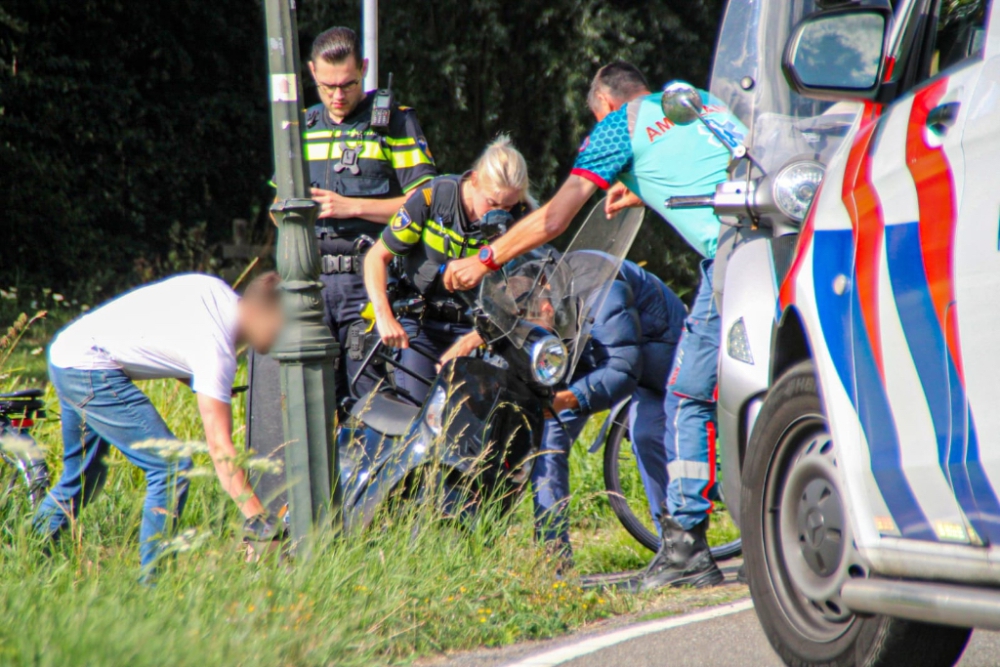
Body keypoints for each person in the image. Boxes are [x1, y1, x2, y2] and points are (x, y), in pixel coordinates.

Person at [443, 61, 746, 589]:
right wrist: (641, 188)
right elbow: (709, 168)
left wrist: (485, 258)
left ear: (604, 105)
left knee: (681, 401)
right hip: (770, 237)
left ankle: (689, 550)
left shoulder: (614, 129)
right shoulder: (690, 98)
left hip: (720, 270)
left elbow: (556, 219)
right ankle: (598, 556)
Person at [37, 272, 284, 576]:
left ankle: (30, 556)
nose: (286, 337)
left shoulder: (216, 291)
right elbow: (221, 450)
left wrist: (192, 376)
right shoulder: (216, 352)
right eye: (284, 326)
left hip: (68, 352)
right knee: (171, 468)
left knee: (84, 479)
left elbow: (166, 324)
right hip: (90, 366)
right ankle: (153, 585)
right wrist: (260, 522)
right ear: (261, 313)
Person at [301, 26, 437, 397]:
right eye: (327, 86)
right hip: (311, 285)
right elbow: (276, 209)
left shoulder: (395, 121)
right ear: (312, 72)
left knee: (370, 399)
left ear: (363, 67)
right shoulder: (302, 126)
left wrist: (353, 207)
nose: (337, 95)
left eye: (347, 83)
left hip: (370, 281)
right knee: (313, 401)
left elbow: (427, 202)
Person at [531, 259, 687, 556]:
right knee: (548, 437)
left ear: (547, 307)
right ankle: (553, 559)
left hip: (664, 354)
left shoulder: (601, 290)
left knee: (646, 434)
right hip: (612, 352)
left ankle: (681, 548)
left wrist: (565, 400)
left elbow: (621, 372)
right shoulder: (550, 292)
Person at [363, 135, 534, 403]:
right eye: (491, 203)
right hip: (421, 324)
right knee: (419, 414)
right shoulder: (434, 197)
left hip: (479, 331)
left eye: (508, 207)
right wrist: (385, 317)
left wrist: (470, 342)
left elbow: (524, 291)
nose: (499, 215)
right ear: (474, 180)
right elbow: (376, 257)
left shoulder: (521, 217)